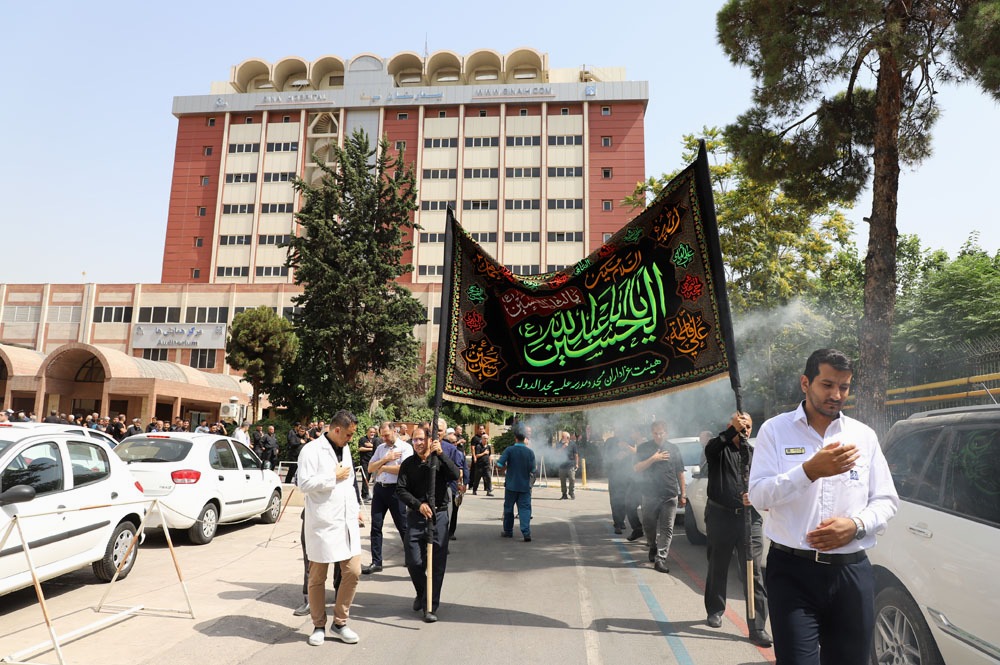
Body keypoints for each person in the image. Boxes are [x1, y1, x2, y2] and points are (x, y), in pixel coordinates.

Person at [749, 348, 899, 664]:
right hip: (792, 573)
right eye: (827, 385)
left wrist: (856, 526)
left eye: (844, 387)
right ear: (806, 383)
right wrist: (809, 471)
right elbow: (760, 496)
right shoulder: (775, 431)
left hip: (851, 572)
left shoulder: (863, 436)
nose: (836, 395)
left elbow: (886, 500)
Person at [702, 412, 771, 648]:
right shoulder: (718, 450)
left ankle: (757, 626)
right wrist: (732, 429)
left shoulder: (755, 455)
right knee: (718, 566)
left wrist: (756, 497)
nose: (745, 431)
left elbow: (767, 485)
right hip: (720, 516)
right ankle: (715, 610)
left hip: (750, 520)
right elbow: (712, 448)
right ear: (730, 426)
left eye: (748, 427)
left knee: (753, 572)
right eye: (741, 427)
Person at [296, 409, 363, 647]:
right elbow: (303, 483)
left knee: (353, 571)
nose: (351, 439)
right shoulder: (311, 450)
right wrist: (331, 476)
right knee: (317, 577)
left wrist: (356, 509)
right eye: (348, 434)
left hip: (346, 520)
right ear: (336, 430)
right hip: (323, 522)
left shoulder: (345, 449)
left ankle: (340, 622)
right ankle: (318, 625)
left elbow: (351, 482)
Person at [396, 426, 460, 623]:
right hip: (416, 516)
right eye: (415, 440)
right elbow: (401, 489)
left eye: (421, 439)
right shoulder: (408, 464)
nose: (418, 443)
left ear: (430, 440)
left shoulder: (438, 460)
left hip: (438, 516)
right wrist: (418, 505)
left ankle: (430, 605)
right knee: (414, 561)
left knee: (437, 564)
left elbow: (455, 475)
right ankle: (423, 592)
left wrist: (440, 454)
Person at [634, 421, 685, 573]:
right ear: (652, 433)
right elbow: (636, 468)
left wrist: (683, 494)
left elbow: (680, 472)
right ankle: (652, 545)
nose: (658, 436)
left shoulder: (674, 449)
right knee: (649, 525)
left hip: (669, 494)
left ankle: (660, 558)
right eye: (655, 433)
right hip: (649, 494)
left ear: (666, 433)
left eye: (661, 433)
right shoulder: (644, 448)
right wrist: (653, 458)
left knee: (667, 528)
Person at [363, 422, 413, 574]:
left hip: (395, 490)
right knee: (376, 526)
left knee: (402, 525)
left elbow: (404, 469)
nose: (384, 438)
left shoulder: (405, 448)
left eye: (386, 435)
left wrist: (383, 467)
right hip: (380, 489)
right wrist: (386, 459)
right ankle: (376, 561)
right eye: (382, 436)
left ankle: (411, 558)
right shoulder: (381, 448)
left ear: (394, 431)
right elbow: (370, 468)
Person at [497, 422, 536, 542]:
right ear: (525, 438)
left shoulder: (509, 450)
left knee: (509, 508)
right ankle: (526, 533)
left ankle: (508, 531)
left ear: (515, 438)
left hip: (511, 485)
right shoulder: (530, 452)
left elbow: (499, 465)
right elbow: (533, 470)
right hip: (525, 486)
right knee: (525, 509)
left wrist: (506, 467)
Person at [606, 428, 642, 537]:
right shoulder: (610, 442)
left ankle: (621, 521)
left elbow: (637, 454)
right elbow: (606, 458)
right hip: (614, 475)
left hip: (627, 475)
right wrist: (616, 458)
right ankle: (617, 523)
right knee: (615, 500)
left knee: (625, 500)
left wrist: (626, 450)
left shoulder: (629, 441)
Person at [356, 426, 380, 503]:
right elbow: (360, 449)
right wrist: (372, 448)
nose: (372, 433)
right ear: (367, 432)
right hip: (365, 462)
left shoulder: (376, 440)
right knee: (366, 478)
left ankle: (375, 495)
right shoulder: (363, 439)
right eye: (371, 432)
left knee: (376, 479)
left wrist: (371, 446)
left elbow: (379, 448)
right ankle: (365, 495)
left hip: (374, 462)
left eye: (374, 432)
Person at [469, 426, 493, 496]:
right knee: (477, 479)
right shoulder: (478, 446)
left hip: (486, 465)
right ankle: (474, 490)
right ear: (482, 439)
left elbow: (489, 455)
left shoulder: (488, 446)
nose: (486, 440)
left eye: (487, 439)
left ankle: (489, 491)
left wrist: (490, 462)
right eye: (484, 438)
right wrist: (484, 453)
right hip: (479, 465)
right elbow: (477, 455)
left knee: (488, 478)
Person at [557, 430, 579, 499]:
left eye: (563, 437)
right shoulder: (559, 444)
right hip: (562, 465)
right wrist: (563, 447)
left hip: (571, 465)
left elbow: (576, 455)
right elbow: (557, 453)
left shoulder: (573, 444)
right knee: (562, 481)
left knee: (572, 479)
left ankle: (571, 492)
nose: (562, 438)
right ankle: (564, 494)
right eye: (562, 436)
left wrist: (577, 464)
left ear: (568, 438)